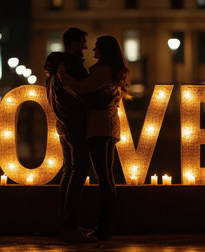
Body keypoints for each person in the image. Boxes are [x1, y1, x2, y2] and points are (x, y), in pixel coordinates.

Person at [58, 35, 131, 240]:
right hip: (110, 128)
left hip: (98, 129)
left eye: (97, 48)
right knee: (108, 178)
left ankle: (105, 226)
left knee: (105, 178)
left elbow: (80, 88)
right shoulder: (114, 71)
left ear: (104, 50)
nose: (92, 51)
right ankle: (107, 225)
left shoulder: (102, 71)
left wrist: (63, 74)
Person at [44, 27, 96, 243]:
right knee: (79, 171)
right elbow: (85, 92)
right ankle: (69, 225)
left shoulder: (55, 68)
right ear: (73, 43)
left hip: (62, 125)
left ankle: (67, 223)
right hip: (75, 124)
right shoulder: (72, 67)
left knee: (68, 171)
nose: (85, 46)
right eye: (82, 42)